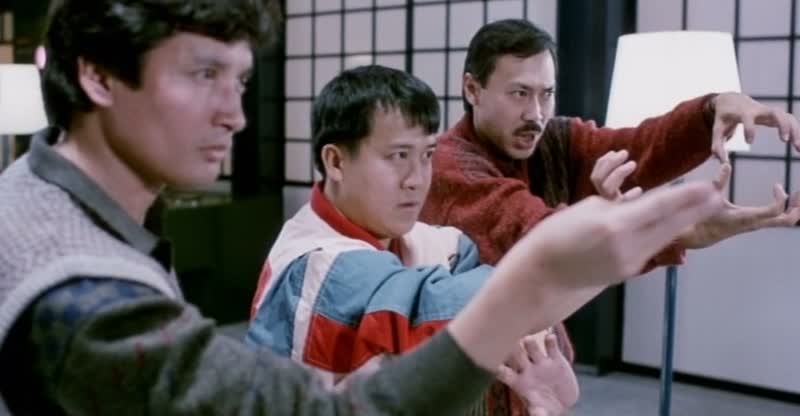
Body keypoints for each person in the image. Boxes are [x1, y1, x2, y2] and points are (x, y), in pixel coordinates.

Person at [0, 1, 725, 415]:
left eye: (240, 81)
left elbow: (459, 262)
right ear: (98, 77)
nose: (235, 115)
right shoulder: (85, 297)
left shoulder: (45, 194)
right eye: (202, 74)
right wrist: (556, 269)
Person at [420, 18, 800, 414]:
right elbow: (541, 241)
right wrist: (670, 230)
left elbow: (636, 147)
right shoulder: (450, 168)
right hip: (471, 386)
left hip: (537, 376)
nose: (535, 113)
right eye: (519, 93)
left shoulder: (552, 140)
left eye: (547, 94)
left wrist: (713, 109)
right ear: (472, 89)